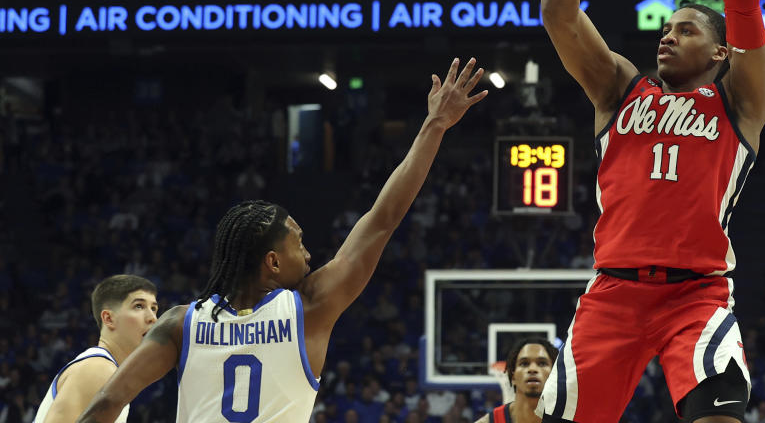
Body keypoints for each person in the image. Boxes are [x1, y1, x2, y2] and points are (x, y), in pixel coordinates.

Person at [77, 58, 487, 423]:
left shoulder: (180, 323)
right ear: (272, 262)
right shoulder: (309, 307)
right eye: (299, 242)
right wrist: (435, 125)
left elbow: (105, 405)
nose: (309, 256)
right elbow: (383, 219)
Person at [537, 0, 765, 423]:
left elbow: (744, 9)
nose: (667, 38)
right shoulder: (620, 88)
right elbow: (558, 13)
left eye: (686, 30)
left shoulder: (739, 101)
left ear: (720, 53)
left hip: (696, 293)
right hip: (612, 292)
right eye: (665, 29)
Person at [33, 275, 159, 423]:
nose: (153, 318)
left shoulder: (108, 370)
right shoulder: (98, 369)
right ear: (108, 319)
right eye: (139, 306)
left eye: (154, 309)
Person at [475, 338, 559, 423]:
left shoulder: (569, 416)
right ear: (513, 376)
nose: (532, 369)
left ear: (554, 375)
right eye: (524, 363)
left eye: (542, 363)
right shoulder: (491, 420)